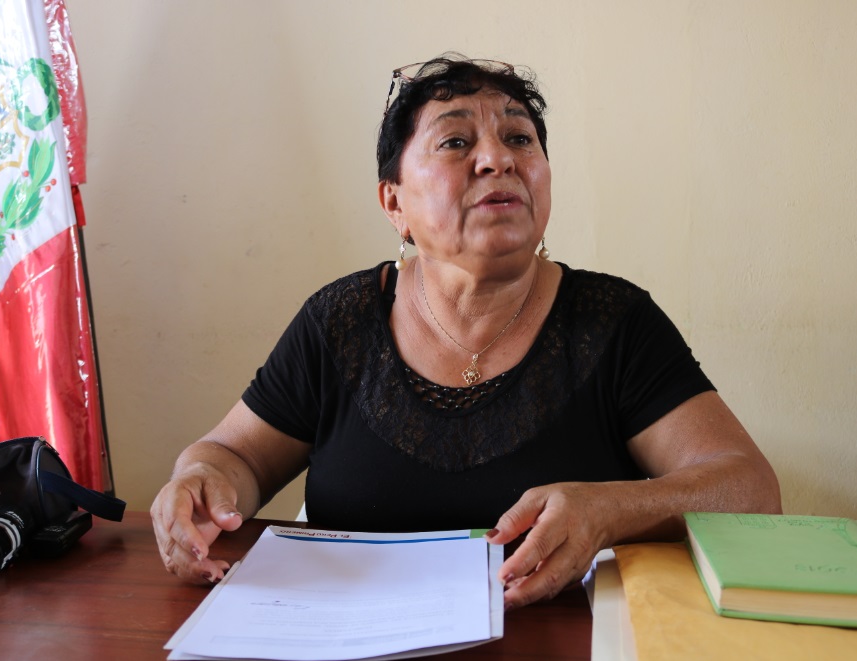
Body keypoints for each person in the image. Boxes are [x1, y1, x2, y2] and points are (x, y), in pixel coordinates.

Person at [151, 54, 781, 609]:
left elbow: (750, 489)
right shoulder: (339, 321)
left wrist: (610, 509)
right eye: (455, 142)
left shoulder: (613, 321)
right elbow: (234, 456)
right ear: (394, 202)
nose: (499, 158)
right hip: (347, 636)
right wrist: (201, 480)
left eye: (519, 138)